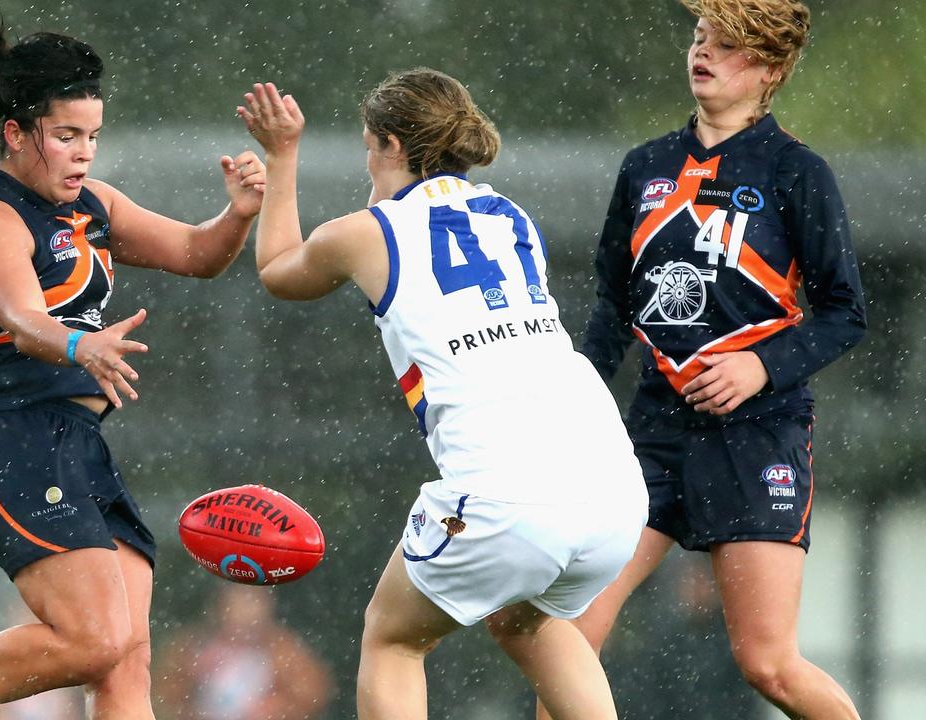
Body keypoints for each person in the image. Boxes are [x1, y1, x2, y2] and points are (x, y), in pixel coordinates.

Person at [0, 26, 266, 720]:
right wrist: (80, 347)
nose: (84, 153)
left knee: (127, 657)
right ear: (15, 132)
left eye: (93, 136)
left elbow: (198, 253)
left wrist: (239, 215)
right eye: (67, 135)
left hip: (79, 449)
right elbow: (21, 318)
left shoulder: (92, 205)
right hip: (11, 446)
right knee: (96, 641)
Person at [237, 72, 647, 720]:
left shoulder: (369, 230)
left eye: (369, 147)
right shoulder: (513, 217)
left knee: (392, 636)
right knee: (525, 623)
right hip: (614, 486)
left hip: (506, 493)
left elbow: (277, 269)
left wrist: (282, 154)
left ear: (392, 146)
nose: (367, 163)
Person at [556, 1, 867, 719]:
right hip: (653, 434)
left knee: (768, 665)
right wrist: (572, 401)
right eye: (701, 37)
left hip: (758, 435)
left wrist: (760, 366)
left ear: (769, 70)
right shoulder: (646, 168)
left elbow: (844, 314)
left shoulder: (796, 172)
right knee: (568, 637)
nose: (704, 53)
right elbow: (613, 305)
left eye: (728, 46)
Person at [154, 584, 335, 720]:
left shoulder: (282, 648)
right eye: (238, 605)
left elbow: (312, 692)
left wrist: (276, 707)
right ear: (220, 608)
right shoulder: (194, 645)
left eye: (252, 604)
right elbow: (164, 692)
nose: (245, 614)